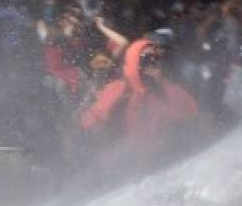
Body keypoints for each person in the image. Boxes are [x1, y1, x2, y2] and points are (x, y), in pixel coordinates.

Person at [80, 38, 200, 172]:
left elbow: (194, 120)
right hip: (137, 165)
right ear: (134, 62)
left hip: (177, 156)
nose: (153, 64)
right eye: (145, 60)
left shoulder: (172, 90)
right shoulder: (120, 89)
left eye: (156, 59)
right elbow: (91, 122)